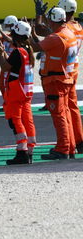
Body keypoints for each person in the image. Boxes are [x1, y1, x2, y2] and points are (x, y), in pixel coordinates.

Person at [29, 7, 77, 160]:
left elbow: (36, 47)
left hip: (55, 81)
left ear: (52, 20)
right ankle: (69, 146)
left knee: (58, 115)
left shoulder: (56, 37)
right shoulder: (69, 33)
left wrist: (30, 34)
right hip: (65, 79)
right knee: (66, 114)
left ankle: (63, 148)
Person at [0, 21, 37, 164]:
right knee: (27, 120)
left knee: (15, 120)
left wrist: (0, 54)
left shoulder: (18, 52)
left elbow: (5, 67)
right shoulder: (27, 50)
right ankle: (29, 151)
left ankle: (21, 151)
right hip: (26, 92)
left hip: (16, 91)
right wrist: (3, 52)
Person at [58, 0, 83, 153]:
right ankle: (78, 140)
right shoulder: (79, 26)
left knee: (64, 108)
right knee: (72, 106)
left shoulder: (66, 27)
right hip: (74, 67)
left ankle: (69, 143)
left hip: (65, 70)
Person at [0, 15, 18, 111]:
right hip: (5, 62)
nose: (7, 27)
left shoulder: (17, 36)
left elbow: (12, 41)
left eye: (8, 25)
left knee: (10, 85)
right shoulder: (6, 36)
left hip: (13, 64)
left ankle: (10, 103)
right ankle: (7, 102)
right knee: (1, 85)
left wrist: (1, 31)